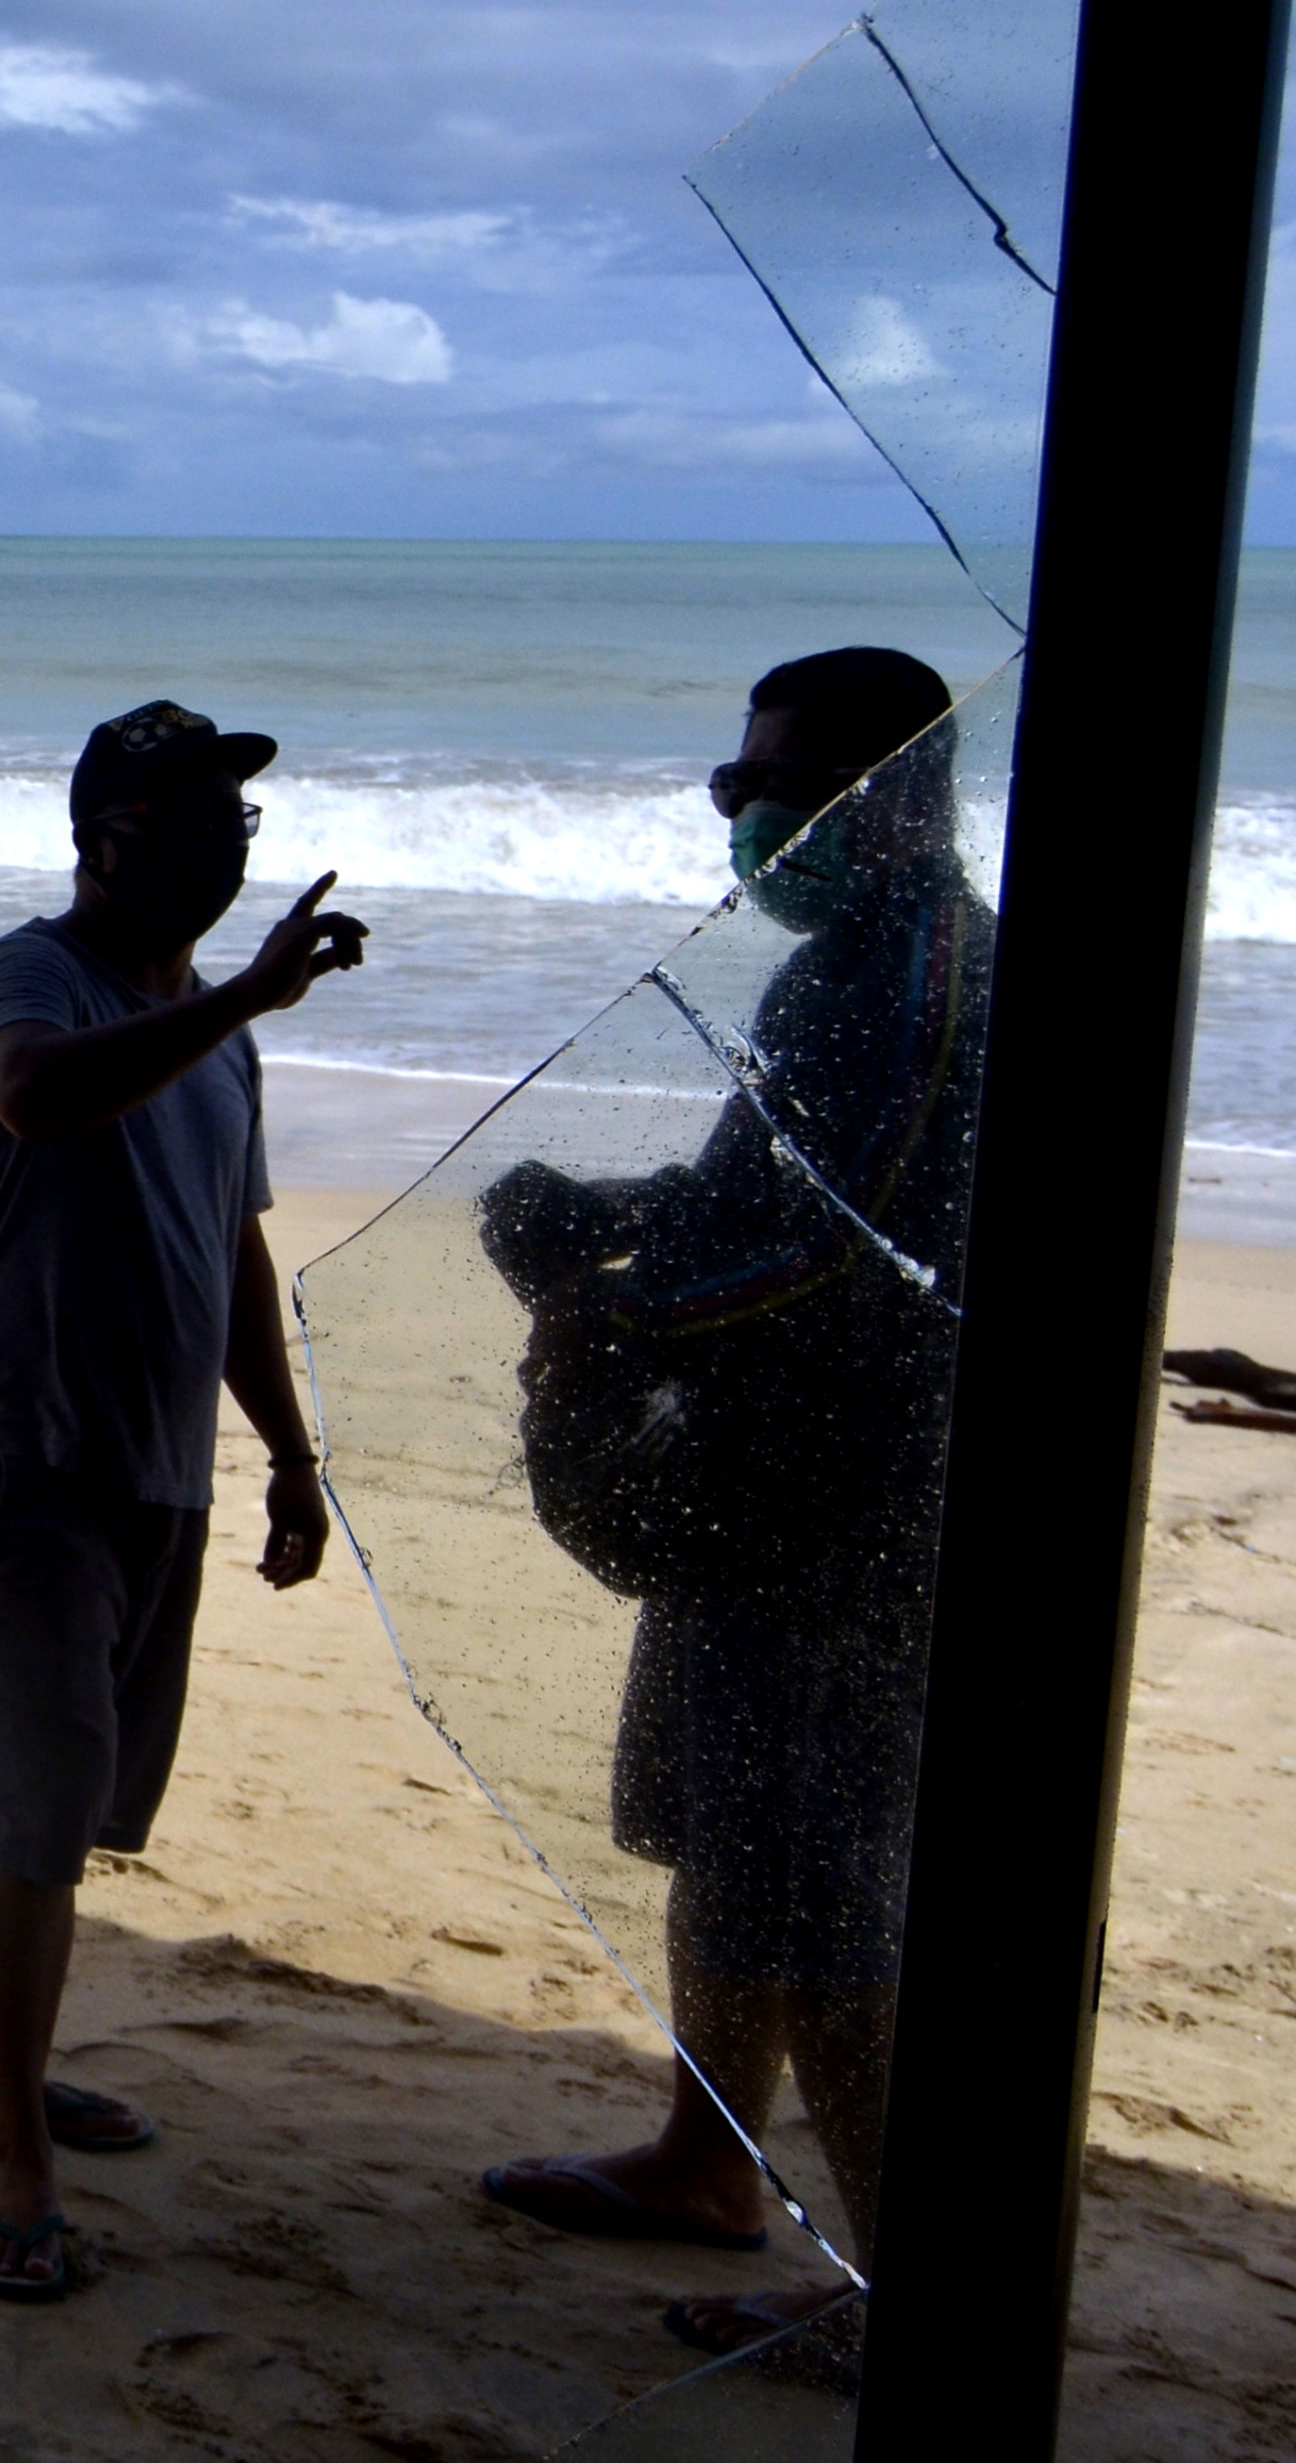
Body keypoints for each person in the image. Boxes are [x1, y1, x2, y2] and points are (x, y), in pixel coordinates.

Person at [473, 647, 990, 2371]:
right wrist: (603, 1209)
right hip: (755, 1483)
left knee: (825, 1899)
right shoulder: (839, 964)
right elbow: (744, 1193)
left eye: (771, 783)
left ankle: (902, 2291)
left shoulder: (918, 974)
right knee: (722, 1834)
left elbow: (830, 1248)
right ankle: (708, 2157)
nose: (747, 814)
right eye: (732, 784)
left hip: (848, 1510)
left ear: (891, 793)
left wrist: (601, 1309)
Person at [0, 699, 369, 2304]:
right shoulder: (24, 976)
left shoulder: (223, 1035)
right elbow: (34, 1095)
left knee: (28, 1766)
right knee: (53, 1786)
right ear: (108, 839)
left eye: (239, 822)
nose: (230, 847)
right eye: (193, 819)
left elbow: (232, 1249)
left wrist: (293, 1456)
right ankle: (16, 2159)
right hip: (16, 1450)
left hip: (155, 1470)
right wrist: (243, 991)